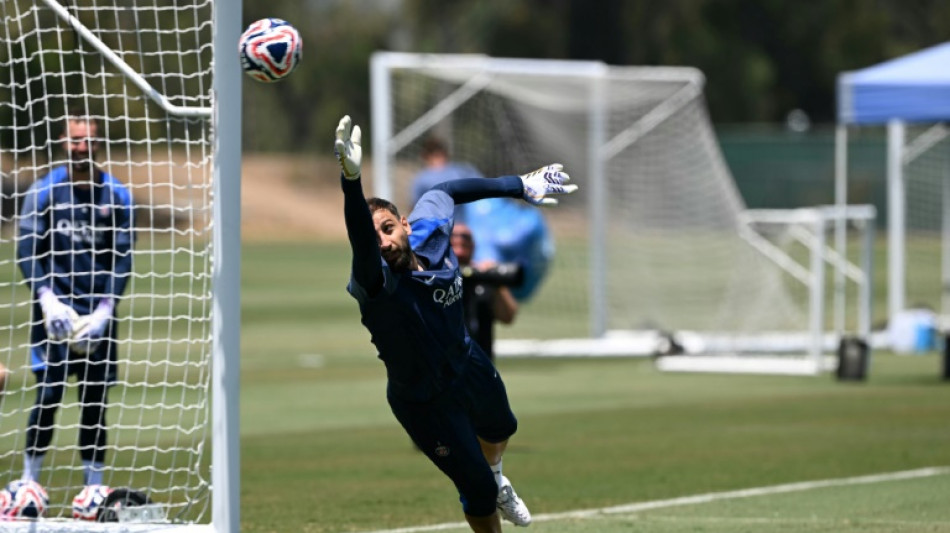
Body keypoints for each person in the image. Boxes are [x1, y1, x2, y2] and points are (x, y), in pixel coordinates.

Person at [334, 115, 576, 532]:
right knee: (476, 490)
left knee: (503, 427)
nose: (383, 242)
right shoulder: (376, 281)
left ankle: (500, 479)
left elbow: (444, 190)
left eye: (388, 229)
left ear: (406, 225)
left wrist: (518, 185)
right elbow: (361, 236)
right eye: (374, 240)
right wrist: (350, 182)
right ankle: (490, 487)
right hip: (422, 400)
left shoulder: (431, 229)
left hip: (468, 365)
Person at [16, 110, 135, 487]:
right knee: (47, 397)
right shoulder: (44, 191)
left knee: (95, 404)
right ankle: (28, 482)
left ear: (98, 145)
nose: (81, 147)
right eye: (75, 140)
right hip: (55, 317)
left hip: (96, 318)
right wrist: (46, 298)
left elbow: (123, 258)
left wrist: (105, 310)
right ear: (63, 143)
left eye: (88, 140)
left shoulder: (116, 195)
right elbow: (26, 251)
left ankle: (93, 489)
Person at [411, 136, 555, 302]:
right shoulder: (463, 170)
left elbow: (417, 211)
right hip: (468, 239)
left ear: (425, 156)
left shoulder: (423, 179)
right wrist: (517, 186)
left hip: (447, 244)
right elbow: (485, 189)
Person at [451, 223, 519, 362]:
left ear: (473, 245)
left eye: (465, 237)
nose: (459, 239)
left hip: (481, 364)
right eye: (453, 236)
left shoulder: (483, 279)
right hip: (447, 365)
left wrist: (494, 279)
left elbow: (508, 316)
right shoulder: (436, 279)